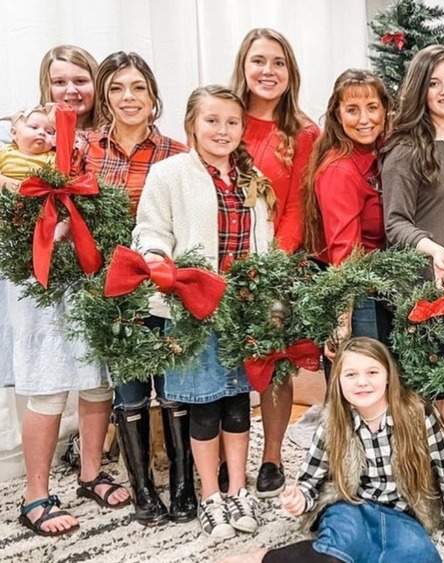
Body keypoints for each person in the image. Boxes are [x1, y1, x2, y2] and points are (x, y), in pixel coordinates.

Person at [133, 85, 275, 538]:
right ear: (191, 124)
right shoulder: (170, 174)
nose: (222, 130)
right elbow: (151, 228)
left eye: (232, 122)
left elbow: (263, 242)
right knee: (203, 406)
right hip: (194, 308)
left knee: (237, 403)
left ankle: (238, 492)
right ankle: (210, 496)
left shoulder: (252, 178)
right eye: (212, 120)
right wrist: (156, 256)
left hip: (242, 309)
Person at [3, 44, 133, 538]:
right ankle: (35, 494)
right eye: (60, 81)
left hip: (92, 272)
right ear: (47, 85)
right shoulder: (25, 140)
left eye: (80, 79)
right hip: (38, 276)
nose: (71, 89)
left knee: (98, 377)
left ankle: (91, 472)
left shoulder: (102, 141)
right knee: (48, 382)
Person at [223, 337, 444, 563]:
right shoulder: (334, 422)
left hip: (403, 511)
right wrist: (299, 498)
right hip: (350, 504)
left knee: (420, 555)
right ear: (339, 381)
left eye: (372, 373)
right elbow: (310, 478)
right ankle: (261, 558)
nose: (362, 382)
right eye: (351, 375)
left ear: (388, 377)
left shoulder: (418, 415)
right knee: (339, 549)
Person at [77, 51, 190, 526]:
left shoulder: (176, 153)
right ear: (105, 95)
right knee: (128, 392)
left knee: (174, 387)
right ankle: (143, 488)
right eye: (118, 88)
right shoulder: (85, 150)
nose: (129, 98)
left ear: (152, 95)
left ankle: (183, 485)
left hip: (162, 285)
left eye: (138, 88)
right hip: (110, 291)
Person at [230, 27, 320, 499]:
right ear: (243, 66)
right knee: (227, 364)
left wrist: (269, 268)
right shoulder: (223, 118)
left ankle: (272, 455)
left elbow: (298, 206)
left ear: (291, 72)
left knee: (274, 363)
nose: (268, 71)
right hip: (222, 261)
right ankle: (229, 456)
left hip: (276, 268)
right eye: (259, 61)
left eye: (278, 63)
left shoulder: (303, 133)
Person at [382, 45, 444, 432]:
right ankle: (422, 476)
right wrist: (432, 248)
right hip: (421, 289)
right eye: (434, 83)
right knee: (426, 392)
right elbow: (395, 223)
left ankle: (440, 470)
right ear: (419, 90)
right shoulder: (407, 150)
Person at [301, 68, 393, 352]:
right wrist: (343, 321)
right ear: (338, 115)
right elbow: (345, 253)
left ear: (386, 110)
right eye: (353, 110)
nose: (365, 119)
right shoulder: (340, 169)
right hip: (357, 294)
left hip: (381, 287)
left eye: (372, 108)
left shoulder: (382, 153)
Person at [0, 106, 56, 188]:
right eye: (34, 127)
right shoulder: (5, 150)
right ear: (14, 133)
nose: (42, 133)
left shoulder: (52, 157)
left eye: (49, 132)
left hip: (35, 196)